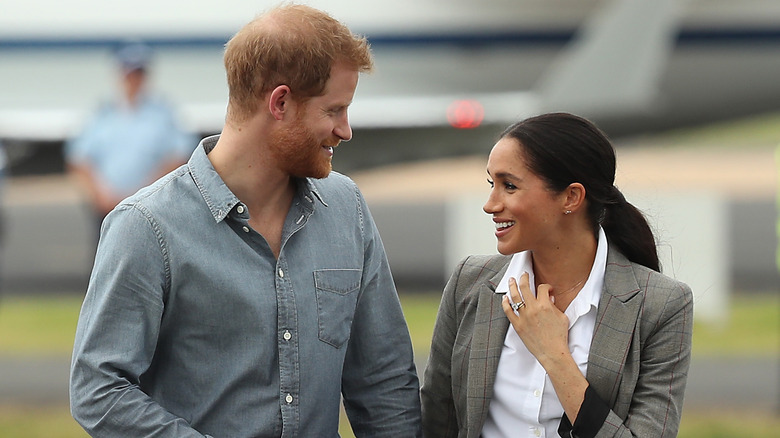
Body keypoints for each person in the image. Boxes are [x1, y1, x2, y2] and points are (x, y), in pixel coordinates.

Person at [70, 5, 421, 437]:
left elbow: (384, 383)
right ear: (281, 102)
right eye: (334, 110)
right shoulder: (146, 226)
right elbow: (98, 388)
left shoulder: (346, 207)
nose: (345, 130)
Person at [421, 112, 693, 438]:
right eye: (492, 184)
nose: (490, 204)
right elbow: (437, 420)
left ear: (571, 197)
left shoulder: (662, 305)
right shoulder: (469, 283)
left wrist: (555, 356)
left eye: (509, 186)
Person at [65, 40, 194, 234]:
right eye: (129, 73)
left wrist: (146, 193)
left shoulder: (163, 113)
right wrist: (99, 195)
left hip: (151, 208)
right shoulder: (103, 113)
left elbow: (179, 157)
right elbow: (79, 158)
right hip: (106, 207)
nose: (134, 79)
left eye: (139, 73)